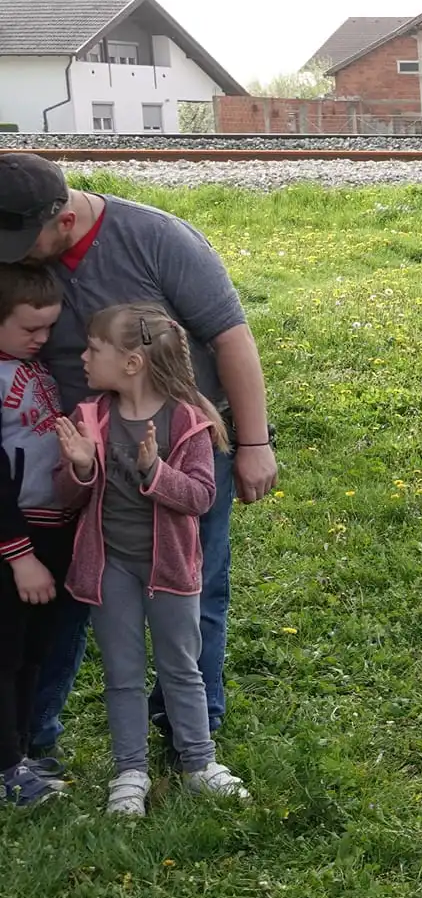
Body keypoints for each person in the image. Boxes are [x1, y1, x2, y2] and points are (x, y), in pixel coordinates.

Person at [0, 152, 278, 771]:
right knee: (75, 591)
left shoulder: (154, 238)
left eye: (22, 243)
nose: (12, 257)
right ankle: (33, 735)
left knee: (195, 586)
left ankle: (191, 739)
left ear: (64, 221)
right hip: (84, 460)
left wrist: (254, 444)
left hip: (178, 445)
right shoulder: (16, 246)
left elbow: (231, 337)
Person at [53, 304, 251, 816]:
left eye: (94, 349)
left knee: (182, 668)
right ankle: (130, 773)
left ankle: (200, 764)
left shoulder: (187, 420)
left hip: (171, 569)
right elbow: (69, 499)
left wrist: (155, 472)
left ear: (132, 363)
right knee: (122, 672)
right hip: (110, 568)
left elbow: (202, 496)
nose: (83, 357)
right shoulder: (90, 419)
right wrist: (79, 468)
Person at [0, 264, 75, 807]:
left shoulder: (32, 364)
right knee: (3, 655)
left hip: (50, 532)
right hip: (12, 539)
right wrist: (20, 554)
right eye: (30, 328)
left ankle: (20, 751)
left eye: (49, 327)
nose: (42, 338)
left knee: (31, 654)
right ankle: (5, 769)